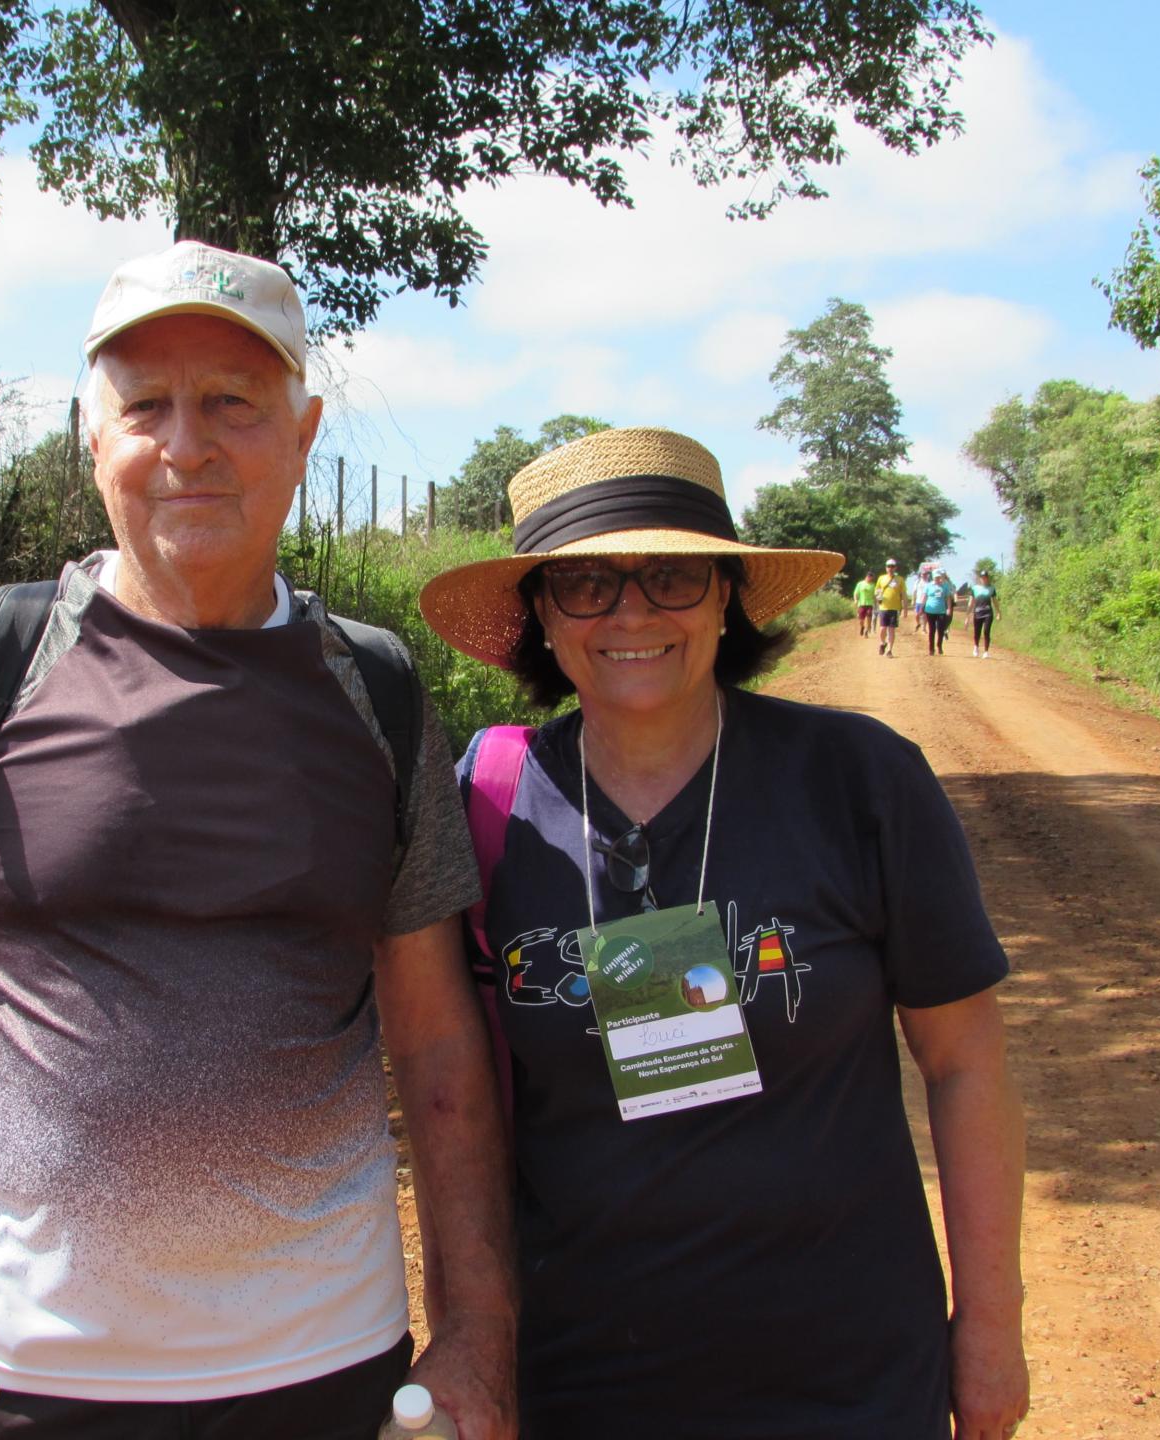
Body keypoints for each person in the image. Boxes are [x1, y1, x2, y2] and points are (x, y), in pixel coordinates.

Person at [0, 241, 516, 1440]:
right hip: (23, 1374)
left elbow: (438, 1045)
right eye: (147, 407)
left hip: (329, 1370)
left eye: (231, 401)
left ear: (304, 429)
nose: (187, 445)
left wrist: (478, 1336)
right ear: (93, 439)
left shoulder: (377, 695)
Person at [418, 427, 1028, 1440]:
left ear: (726, 596)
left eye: (671, 576)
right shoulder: (489, 805)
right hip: (580, 1381)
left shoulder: (860, 782)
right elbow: (451, 1102)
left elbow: (966, 1063)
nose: (632, 613)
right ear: (539, 615)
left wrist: (992, 1328)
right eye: (587, 586)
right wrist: (474, 1342)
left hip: (851, 1378)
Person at [874, 559, 907, 656]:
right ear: (886, 567)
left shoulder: (900, 579)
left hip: (895, 608)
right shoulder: (881, 578)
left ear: (895, 568)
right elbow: (877, 590)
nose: (890, 568)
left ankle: (889, 650)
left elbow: (903, 594)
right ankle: (883, 643)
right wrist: (879, 599)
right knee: (883, 628)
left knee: (892, 629)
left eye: (892, 566)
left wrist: (905, 608)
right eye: (888, 566)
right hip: (884, 607)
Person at [924, 567, 957, 656]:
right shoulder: (928, 586)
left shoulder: (945, 586)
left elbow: (948, 598)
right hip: (930, 610)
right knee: (932, 630)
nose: (938, 579)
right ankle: (931, 649)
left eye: (939, 577)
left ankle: (939, 646)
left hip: (941, 611)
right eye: (936, 577)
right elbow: (925, 597)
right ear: (933, 577)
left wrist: (949, 608)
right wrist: (922, 608)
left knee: (940, 629)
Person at [972, 570, 1001, 657]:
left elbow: (995, 601)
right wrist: (967, 614)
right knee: (977, 632)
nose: (984, 579)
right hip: (977, 612)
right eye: (982, 577)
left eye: (985, 577)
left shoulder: (991, 588)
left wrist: (998, 612)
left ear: (988, 578)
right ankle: (976, 646)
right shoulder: (975, 588)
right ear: (980, 579)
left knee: (986, 631)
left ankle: (986, 651)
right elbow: (971, 602)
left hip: (988, 612)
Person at [852, 570, 878, 638]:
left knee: (869, 618)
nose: (870, 579)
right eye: (870, 577)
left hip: (869, 604)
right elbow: (856, 593)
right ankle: (862, 627)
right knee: (861, 619)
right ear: (867, 576)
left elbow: (874, 595)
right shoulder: (860, 584)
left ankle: (866, 631)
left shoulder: (873, 585)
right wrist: (855, 599)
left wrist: (876, 603)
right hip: (861, 604)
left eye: (872, 578)